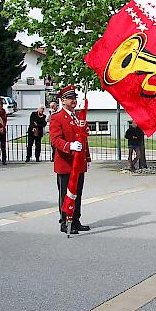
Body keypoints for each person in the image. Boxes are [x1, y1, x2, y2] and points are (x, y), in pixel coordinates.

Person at [50, 85, 91, 234]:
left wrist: (87, 157)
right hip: (66, 162)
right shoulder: (57, 117)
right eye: (70, 98)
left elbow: (83, 139)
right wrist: (70, 146)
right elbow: (55, 140)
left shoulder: (78, 117)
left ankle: (75, 220)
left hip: (78, 163)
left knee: (78, 193)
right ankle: (65, 222)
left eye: (74, 98)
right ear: (63, 100)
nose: (73, 101)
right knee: (66, 194)